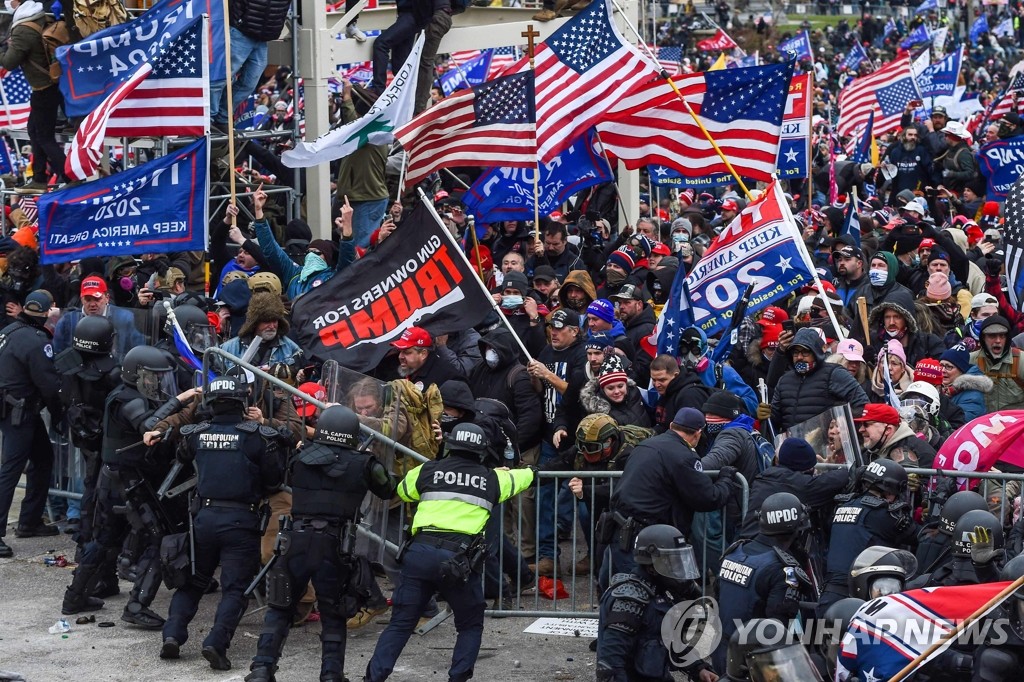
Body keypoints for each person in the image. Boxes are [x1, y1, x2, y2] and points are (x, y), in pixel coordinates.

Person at [363, 422, 535, 682]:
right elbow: (527, 476)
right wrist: (532, 469)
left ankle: (372, 678)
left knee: (400, 624)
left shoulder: (427, 470)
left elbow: (400, 491)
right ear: (482, 451)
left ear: (450, 445)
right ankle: (457, 678)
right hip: (458, 563)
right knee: (469, 625)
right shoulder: (493, 478)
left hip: (419, 555)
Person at [245, 406, 395, 682]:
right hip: (334, 545)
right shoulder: (364, 463)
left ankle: (262, 669)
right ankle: (330, 675)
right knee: (333, 612)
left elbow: (285, 476)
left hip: (295, 542)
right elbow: (387, 489)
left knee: (280, 608)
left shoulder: (301, 458)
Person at [160, 376, 287, 671]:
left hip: (203, 518)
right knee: (234, 588)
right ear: (242, 402)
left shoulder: (196, 433)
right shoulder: (257, 435)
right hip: (241, 520)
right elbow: (274, 481)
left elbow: (181, 455)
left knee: (193, 581)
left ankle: (173, 635)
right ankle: (216, 642)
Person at [605, 408, 737, 577]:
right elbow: (708, 498)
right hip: (646, 538)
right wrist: (726, 478)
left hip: (619, 529)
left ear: (672, 425)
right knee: (638, 593)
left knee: (612, 589)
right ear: (697, 433)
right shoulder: (684, 456)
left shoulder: (646, 444)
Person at [596, 524, 717, 682]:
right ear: (652, 565)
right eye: (673, 562)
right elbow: (609, 665)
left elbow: (671, 642)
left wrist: (699, 668)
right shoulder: (630, 599)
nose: (679, 568)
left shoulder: (663, 592)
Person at [713, 493, 815, 673]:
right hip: (752, 661)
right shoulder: (783, 569)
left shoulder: (733, 552)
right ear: (795, 529)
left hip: (722, 650)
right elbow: (779, 630)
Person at [0, 290, 62, 559]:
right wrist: (62, 414)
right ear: (49, 312)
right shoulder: (37, 341)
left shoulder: (10, 330)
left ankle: (29, 521)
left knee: (43, 458)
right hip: (20, 413)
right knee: (10, 471)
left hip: (14, 408)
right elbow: (50, 385)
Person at [818, 458, 918, 616]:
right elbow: (918, 537)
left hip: (829, 596)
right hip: (863, 601)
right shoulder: (882, 515)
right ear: (889, 491)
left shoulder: (843, 505)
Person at [53, 315, 122, 543]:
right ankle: (91, 534)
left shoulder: (70, 365)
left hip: (82, 433)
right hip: (101, 437)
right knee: (96, 487)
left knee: (92, 483)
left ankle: (89, 531)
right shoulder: (110, 374)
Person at [0, 0, 66, 193]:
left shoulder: (22, 29)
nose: (6, 3)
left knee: (44, 137)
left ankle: (70, 175)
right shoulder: (40, 16)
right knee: (34, 130)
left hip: (44, 88)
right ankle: (38, 177)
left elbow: (9, 63)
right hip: (53, 84)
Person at [769, 327, 868, 432]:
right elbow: (776, 420)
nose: (799, 357)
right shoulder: (784, 381)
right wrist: (767, 415)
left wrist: (838, 422)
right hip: (793, 445)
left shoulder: (834, 373)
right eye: (795, 352)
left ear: (816, 352)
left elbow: (863, 406)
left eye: (805, 352)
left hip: (826, 445)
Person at [53, 275, 148, 361]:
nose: (92, 304)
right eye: (88, 299)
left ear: (107, 297)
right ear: (81, 299)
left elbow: (138, 351)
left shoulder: (125, 318)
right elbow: (58, 354)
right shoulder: (68, 321)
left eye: (97, 299)